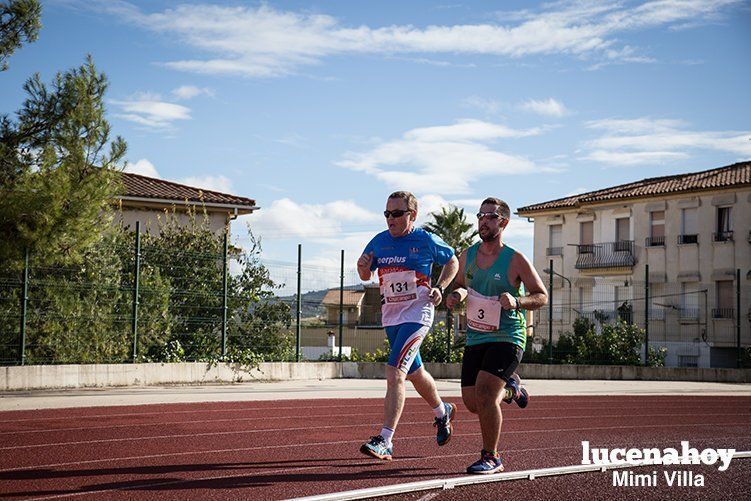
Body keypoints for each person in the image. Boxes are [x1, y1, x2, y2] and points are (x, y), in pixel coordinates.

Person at [446, 197, 548, 474]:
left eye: (490, 216)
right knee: (472, 402)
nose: (483, 221)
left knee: (486, 394)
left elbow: (541, 296)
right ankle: (512, 389)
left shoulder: (514, 259)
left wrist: (517, 302)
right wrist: (457, 294)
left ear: (503, 222)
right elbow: (461, 284)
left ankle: (491, 457)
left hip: (508, 336)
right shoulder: (467, 256)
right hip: (477, 336)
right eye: (480, 215)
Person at [358, 191, 460, 461]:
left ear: (411, 215)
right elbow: (365, 274)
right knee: (415, 372)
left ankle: (386, 439)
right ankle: (442, 411)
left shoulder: (424, 239)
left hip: (417, 314)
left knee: (395, 373)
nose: (390, 218)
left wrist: (440, 286)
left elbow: (452, 260)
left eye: (396, 213)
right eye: (387, 213)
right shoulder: (379, 242)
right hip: (391, 317)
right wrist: (362, 267)